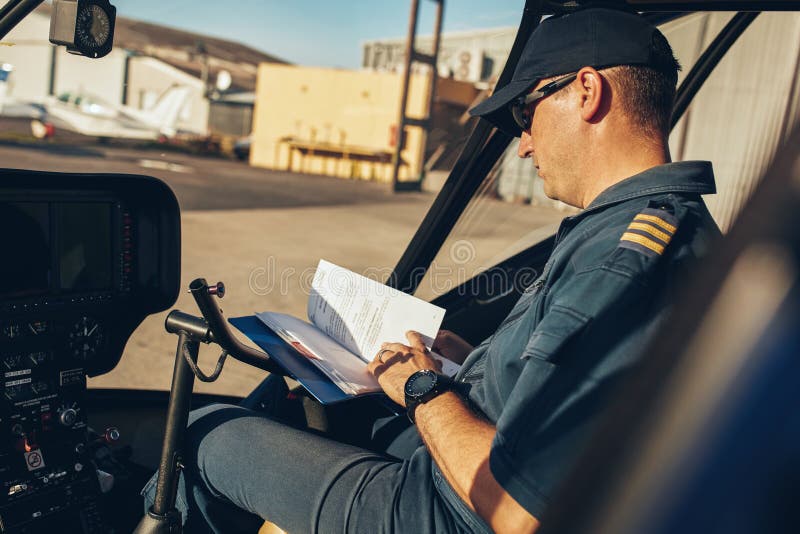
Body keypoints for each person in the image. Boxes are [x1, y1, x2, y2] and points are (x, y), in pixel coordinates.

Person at [141, 7, 721, 533]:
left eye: (526, 112)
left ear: (588, 91)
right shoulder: (649, 230)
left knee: (204, 434)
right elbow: (560, 386)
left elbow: (522, 513)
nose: (523, 143)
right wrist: (468, 361)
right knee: (289, 394)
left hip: (445, 509)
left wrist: (424, 389)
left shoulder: (622, 264)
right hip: (466, 467)